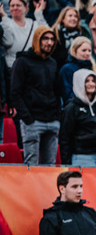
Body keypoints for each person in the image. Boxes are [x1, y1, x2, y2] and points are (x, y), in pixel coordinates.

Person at [10, 26, 61, 164]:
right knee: (31, 166)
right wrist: (27, 118)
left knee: (49, 166)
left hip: (52, 120)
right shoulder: (22, 62)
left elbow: (57, 91)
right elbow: (15, 92)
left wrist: (57, 116)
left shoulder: (52, 63)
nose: (49, 43)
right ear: (37, 40)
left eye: (52, 39)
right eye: (45, 38)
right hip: (33, 121)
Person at [60, 69, 96, 167]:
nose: (91, 84)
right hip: (83, 155)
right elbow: (65, 136)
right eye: (87, 81)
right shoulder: (71, 107)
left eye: (93, 80)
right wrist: (66, 162)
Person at [58, 36, 94, 101]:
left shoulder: (93, 68)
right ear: (74, 51)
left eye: (89, 51)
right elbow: (67, 94)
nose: (87, 53)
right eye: (84, 50)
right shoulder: (67, 70)